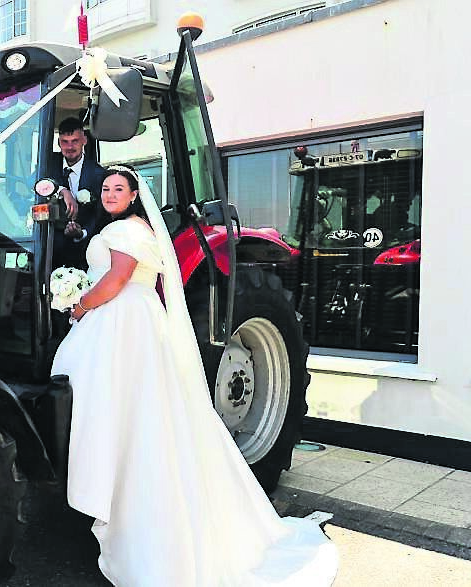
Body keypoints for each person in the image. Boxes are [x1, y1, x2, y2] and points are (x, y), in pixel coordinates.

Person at [52, 166, 339, 585]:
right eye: (106, 189)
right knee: (134, 410)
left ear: (134, 195)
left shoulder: (129, 232)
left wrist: (78, 305)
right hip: (127, 320)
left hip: (121, 320)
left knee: (125, 409)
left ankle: (127, 498)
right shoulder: (129, 228)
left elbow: (115, 280)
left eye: (119, 188)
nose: (110, 193)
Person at [48, 117, 107, 269]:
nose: (69, 147)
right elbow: (36, 185)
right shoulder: (47, 164)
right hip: (51, 249)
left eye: (74, 141)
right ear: (58, 143)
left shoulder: (98, 174)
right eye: (64, 142)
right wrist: (62, 190)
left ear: (84, 141)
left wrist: (82, 233)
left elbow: (100, 213)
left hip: (85, 248)